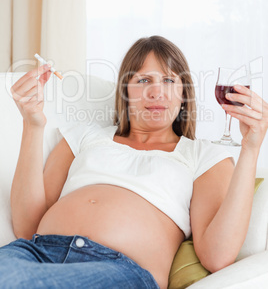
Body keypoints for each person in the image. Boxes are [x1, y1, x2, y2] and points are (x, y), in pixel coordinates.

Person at [0, 35, 267, 289]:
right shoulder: (85, 135)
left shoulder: (203, 156)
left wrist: (251, 147)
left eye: (168, 80)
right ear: (124, 90)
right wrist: (32, 124)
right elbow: (27, 226)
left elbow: (217, 256)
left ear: (184, 94)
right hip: (35, 252)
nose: (156, 92)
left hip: (119, 269)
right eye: (142, 80)